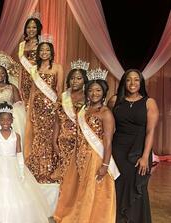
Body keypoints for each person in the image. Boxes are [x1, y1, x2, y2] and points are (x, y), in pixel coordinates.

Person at [54, 68, 120, 223]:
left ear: (104, 93)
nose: (94, 93)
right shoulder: (84, 109)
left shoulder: (106, 113)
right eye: (90, 90)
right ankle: (78, 216)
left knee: (92, 190)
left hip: (95, 156)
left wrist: (105, 164)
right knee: (80, 189)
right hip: (79, 155)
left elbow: (108, 142)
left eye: (98, 90)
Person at [108, 69, 159, 223]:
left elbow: (150, 132)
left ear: (141, 83)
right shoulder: (114, 100)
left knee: (137, 187)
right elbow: (107, 126)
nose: (132, 83)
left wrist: (145, 157)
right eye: (129, 80)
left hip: (138, 151)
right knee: (118, 186)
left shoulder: (149, 103)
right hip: (118, 150)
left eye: (136, 80)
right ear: (124, 82)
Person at [24, 35, 64, 183]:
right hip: (38, 108)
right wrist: (31, 110)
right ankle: (37, 169)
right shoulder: (34, 69)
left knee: (50, 137)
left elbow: (60, 88)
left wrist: (58, 105)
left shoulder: (58, 67)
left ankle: (50, 170)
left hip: (51, 108)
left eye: (47, 50)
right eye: (42, 50)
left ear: (51, 52)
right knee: (38, 137)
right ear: (39, 52)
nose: (44, 52)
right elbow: (33, 91)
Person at [51, 59, 89, 182]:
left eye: (79, 78)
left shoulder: (89, 97)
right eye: (72, 78)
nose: (75, 81)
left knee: (79, 173)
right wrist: (54, 140)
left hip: (82, 140)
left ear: (84, 80)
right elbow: (57, 121)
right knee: (65, 173)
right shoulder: (63, 97)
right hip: (65, 141)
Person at [18, 12, 43, 104]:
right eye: (28, 27)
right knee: (25, 105)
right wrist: (19, 83)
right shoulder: (22, 45)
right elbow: (21, 66)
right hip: (25, 80)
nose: (31, 30)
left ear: (38, 29)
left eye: (34, 27)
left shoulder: (42, 44)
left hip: (37, 78)